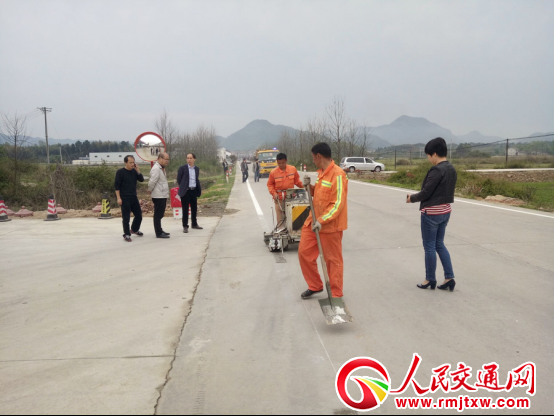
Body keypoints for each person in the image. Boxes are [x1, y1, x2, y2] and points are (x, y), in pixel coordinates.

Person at [298, 142, 348, 299]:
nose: (312, 160)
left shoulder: (338, 175)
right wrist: (310, 187)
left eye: (313, 157)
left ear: (318, 156)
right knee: (304, 253)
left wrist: (322, 220)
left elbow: (337, 203)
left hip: (329, 226)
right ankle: (315, 285)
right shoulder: (322, 173)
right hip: (313, 222)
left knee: (332, 261)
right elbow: (321, 196)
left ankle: (336, 294)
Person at [407, 137, 458, 291]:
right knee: (439, 244)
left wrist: (412, 198)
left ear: (434, 154)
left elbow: (426, 192)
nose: (429, 159)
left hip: (432, 213)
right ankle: (449, 277)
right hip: (445, 211)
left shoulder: (436, 170)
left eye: (429, 155)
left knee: (429, 246)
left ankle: (429, 279)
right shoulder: (451, 168)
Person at [267, 153, 303, 226]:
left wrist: (305, 187)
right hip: (279, 199)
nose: (281, 165)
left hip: (290, 198)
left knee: (291, 218)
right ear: (277, 162)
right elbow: (270, 184)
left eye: (283, 163)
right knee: (280, 220)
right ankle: (281, 230)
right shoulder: (273, 172)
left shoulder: (292, 169)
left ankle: (290, 230)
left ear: (286, 161)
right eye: (279, 163)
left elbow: (297, 181)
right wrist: (274, 193)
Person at [115, 155, 145, 242]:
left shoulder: (134, 171)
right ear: (125, 163)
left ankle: (134, 229)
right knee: (126, 217)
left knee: (139, 215)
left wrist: (137, 170)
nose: (132, 164)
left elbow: (141, 179)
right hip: (124, 197)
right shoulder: (120, 172)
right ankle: (127, 234)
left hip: (133, 197)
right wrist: (118, 198)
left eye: (133, 162)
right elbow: (117, 186)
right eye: (130, 163)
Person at [177, 153, 203, 233]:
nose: (189, 160)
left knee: (194, 208)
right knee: (185, 209)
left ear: (194, 159)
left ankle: (194, 224)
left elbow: (196, 179)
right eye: (187, 158)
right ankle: (185, 226)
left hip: (193, 191)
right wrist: (183, 187)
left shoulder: (196, 169)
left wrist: (198, 189)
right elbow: (179, 179)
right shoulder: (182, 168)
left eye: (191, 158)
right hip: (186, 191)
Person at [148, 152, 171, 239]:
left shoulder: (161, 168)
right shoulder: (156, 169)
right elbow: (152, 181)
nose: (167, 161)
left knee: (161, 214)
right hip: (158, 195)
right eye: (166, 159)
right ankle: (158, 232)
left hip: (162, 194)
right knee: (158, 214)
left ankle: (160, 230)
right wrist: (150, 189)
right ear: (160, 158)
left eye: (168, 159)